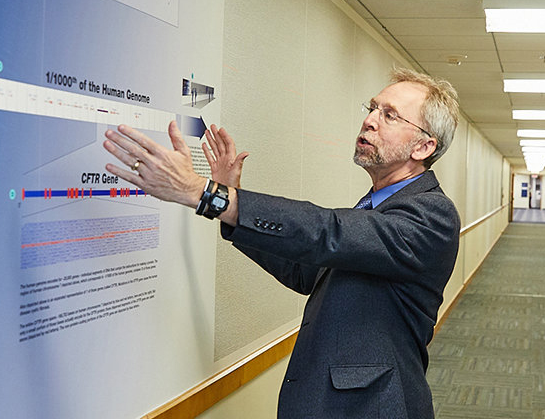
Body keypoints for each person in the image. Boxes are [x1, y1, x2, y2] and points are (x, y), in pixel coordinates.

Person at [103, 68, 460, 418]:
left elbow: (327, 232)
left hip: (374, 408)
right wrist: (233, 198)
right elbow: (306, 271)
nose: (370, 120)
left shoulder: (432, 216)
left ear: (423, 146)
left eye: (390, 115)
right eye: (372, 108)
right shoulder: (375, 204)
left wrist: (206, 194)